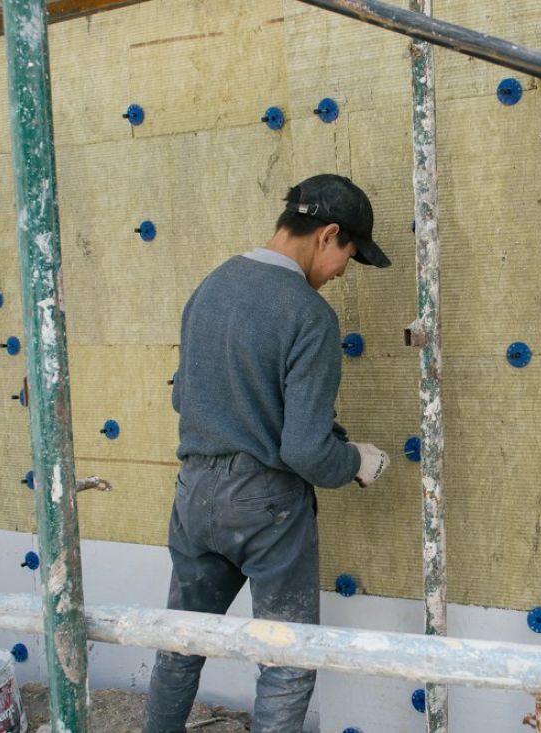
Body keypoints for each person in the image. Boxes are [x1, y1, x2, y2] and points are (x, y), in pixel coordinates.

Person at [143, 174, 392, 733]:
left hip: (195, 494)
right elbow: (304, 450)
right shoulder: (309, 315)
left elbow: (185, 397)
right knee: (286, 661)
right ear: (327, 235)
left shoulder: (210, 287)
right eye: (348, 257)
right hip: (265, 506)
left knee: (180, 643)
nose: (341, 273)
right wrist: (354, 461)